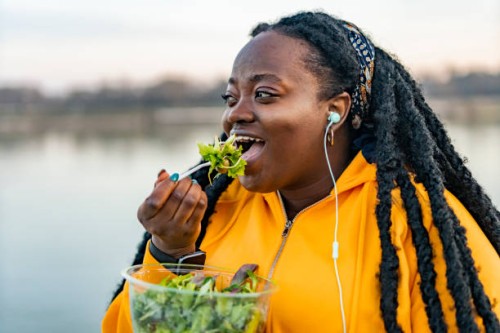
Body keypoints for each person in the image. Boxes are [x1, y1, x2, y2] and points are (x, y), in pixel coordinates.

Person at [102, 11, 500, 333]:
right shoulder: (214, 210)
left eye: (264, 94)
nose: (235, 114)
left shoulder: (421, 225)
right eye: (231, 97)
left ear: (335, 110)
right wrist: (170, 253)